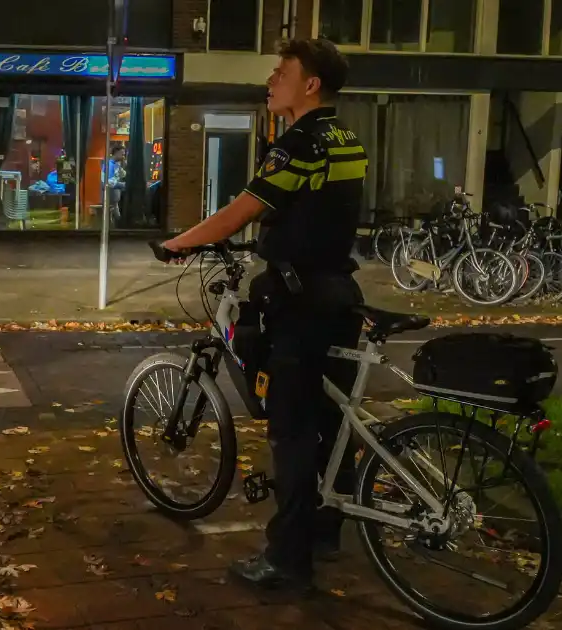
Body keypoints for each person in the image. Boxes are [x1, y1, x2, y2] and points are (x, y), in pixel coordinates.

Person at [160, 38, 367, 593]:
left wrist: (180, 242)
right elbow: (316, 211)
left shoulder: (299, 142)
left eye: (282, 73)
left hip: (300, 303)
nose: (271, 81)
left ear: (311, 84)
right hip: (338, 294)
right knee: (329, 422)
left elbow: (245, 209)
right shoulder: (346, 137)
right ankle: (325, 531)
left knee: (292, 432)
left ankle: (286, 560)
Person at [103, 145, 126, 225]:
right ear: (116, 153)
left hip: (115, 197)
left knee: (117, 212)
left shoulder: (117, 165)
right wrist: (124, 185)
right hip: (110, 196)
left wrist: (123, 165)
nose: (123, 157)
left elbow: (123, 175)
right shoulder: (109, 165)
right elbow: (110, 182)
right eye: (122, 154)